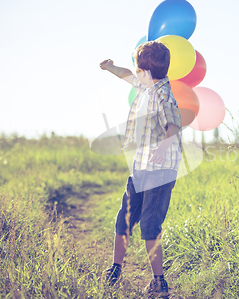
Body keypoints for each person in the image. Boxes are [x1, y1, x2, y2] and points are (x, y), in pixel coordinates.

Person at [99, 41, 182, 298]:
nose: (134, 71)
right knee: (124, 217)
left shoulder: (164, 94)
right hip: (140, 168)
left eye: (137, 66)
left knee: (149, 224)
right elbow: (126, 74)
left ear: (146, 69)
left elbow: (174, 126)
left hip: (160, 171)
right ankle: (116, 268)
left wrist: (163, 147)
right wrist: (111, 67)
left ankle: (159, 281)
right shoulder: (144, 86)